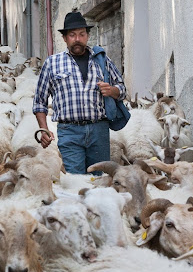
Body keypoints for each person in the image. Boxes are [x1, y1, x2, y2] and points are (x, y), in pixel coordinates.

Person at [33, 11, 126, 175]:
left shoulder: (102, 60)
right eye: (72, 35)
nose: (77, 39)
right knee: (75, 181)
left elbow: (122, 89)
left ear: (87, 36)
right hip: (69, 131)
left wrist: (112, 90)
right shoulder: (52, 63)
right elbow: (40, 102)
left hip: (99, 130)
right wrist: (44, 129)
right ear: (65, 38)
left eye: (81, 34)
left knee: (100, 180)